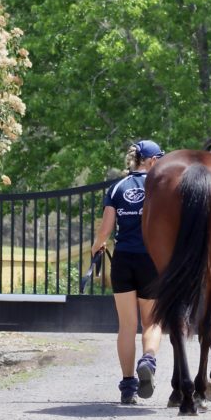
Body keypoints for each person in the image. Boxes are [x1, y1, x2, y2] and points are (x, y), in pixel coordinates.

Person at [90, 139, 164, 405]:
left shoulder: (117, 187)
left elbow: (105, 232)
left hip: (123, 260)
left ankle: (128, 386)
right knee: (153, 322)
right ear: (152, 161)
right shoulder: (160, 187)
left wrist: (96, 249)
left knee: (126, 326)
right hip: (151, 261)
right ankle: (149, 360)